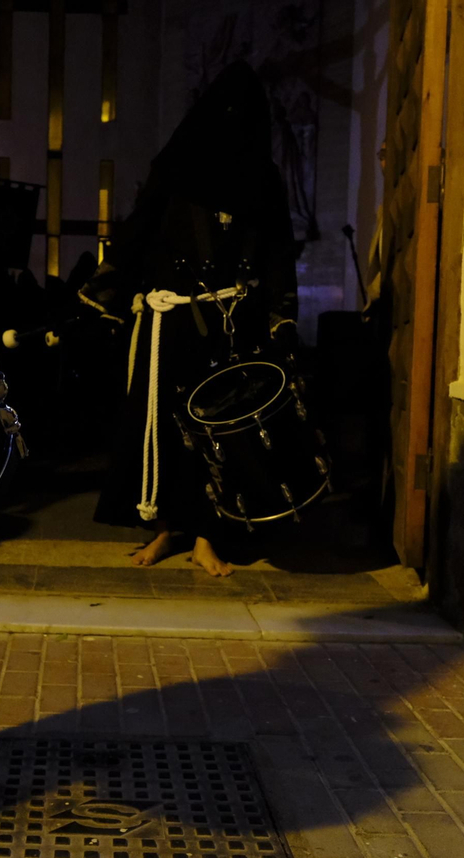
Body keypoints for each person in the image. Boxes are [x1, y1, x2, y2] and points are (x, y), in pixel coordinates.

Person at [82, 62, 299, 577]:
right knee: (163, 429)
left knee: (221, 432)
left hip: (232, 324)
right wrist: (101, 293)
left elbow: (275, 253)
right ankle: (163, 530)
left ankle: (208, 536)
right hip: (171, 324)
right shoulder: (175, 168)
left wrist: (278, 317)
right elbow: (137, 234)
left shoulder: (262, 178)